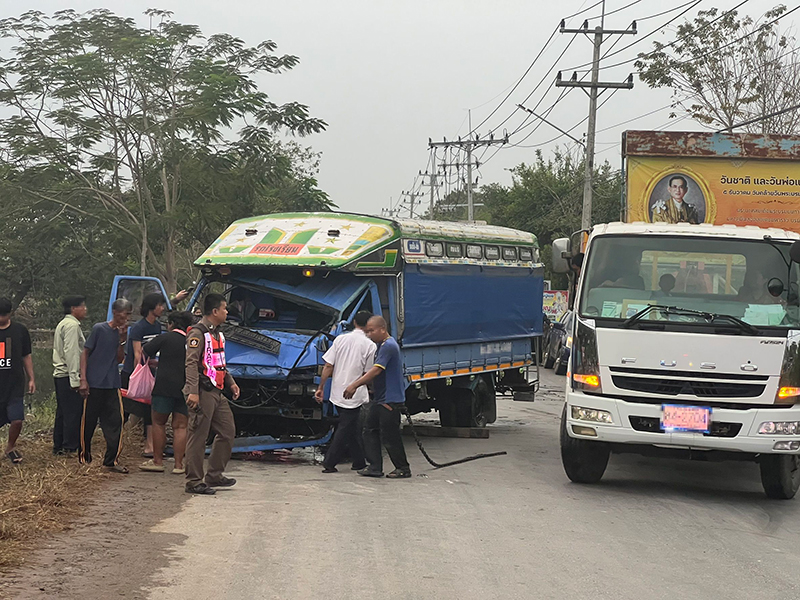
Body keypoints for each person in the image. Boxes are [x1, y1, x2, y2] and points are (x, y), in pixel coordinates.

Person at [183, 293, 241, 495]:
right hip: (202, 391)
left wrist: (230, 382)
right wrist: (193, 392)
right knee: (198, 436)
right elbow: (190, 363)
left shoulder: (217, 333)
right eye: (224, 309)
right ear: (215, 311)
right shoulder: (197, 334)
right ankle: (193, 481)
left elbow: (218, 363)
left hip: (217, 390)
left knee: (227, 431)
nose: (227, 312)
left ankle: (214, 474)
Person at [343, 316, 411, 479]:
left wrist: (355, 385)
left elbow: (376, 370)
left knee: (389, 435)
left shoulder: (388, 346)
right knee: (369, 430)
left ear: (382, 329)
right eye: (367, 331)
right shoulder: (381, 346)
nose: (369, 334)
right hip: (381, 398)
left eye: (372, 331)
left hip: (389, 399)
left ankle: (403, 467)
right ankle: (374, 467)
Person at [314, 310, 375, 473]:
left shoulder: (340, 339)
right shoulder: (370, 345)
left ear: (354, 322)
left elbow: (328, 365)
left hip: (337, 391)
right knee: (345, 426)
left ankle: (359, 461)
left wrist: (321, 388)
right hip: (354, 392)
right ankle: (330, 462)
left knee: (351, 426)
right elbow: (368, 373)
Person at [79, 298, 132, 472]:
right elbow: (85, 353)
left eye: (129, 314)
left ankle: (111, 460)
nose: (127, 318)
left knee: (116, 420)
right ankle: (84, 455)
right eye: (125, 313)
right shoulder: (99, 329)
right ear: (116, 312)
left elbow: (119, 359)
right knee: (89, 422)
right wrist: (83, 379)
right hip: (94, 382)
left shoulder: (121, 334)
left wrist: (122, 339)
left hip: (112, 383)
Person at [139, 311, 194, 474]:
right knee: (181, 426)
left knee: (158, 422)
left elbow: (145, 351)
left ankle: (157, 461)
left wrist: (153, 364)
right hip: (185, 388)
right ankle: (178, 465)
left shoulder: (165, 338)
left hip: (164, 386)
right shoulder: (191, 341)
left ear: (171, 324)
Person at [121, 293, 167, 456]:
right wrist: (138, 375)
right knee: (124, 410)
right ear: (151, 307)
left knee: (149, 409)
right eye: (160, 305)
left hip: (149, 372)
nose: (162, 308)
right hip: (133, 374)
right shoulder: (139, 328)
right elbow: (137, 354)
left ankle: (149, 445)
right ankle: (116, 441)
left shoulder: (157, 327)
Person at [0, 298, 35, 464]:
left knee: (17, 419)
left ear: (10, 313)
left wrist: (31, 378)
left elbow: (26, 355)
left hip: (14, 384)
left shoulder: (20, 331)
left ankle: (10, 447)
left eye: (4, 315)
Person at [52, 295, 87, 456]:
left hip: (61, 375)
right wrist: (76, 379)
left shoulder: (64, 324)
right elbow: (72, 353)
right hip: (68, 374)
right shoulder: (72, 326)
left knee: (63, 411)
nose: (85, 309)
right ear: (74, 309)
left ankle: (59, 445)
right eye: (83, 306)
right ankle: (70, 446)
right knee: (73, 412)